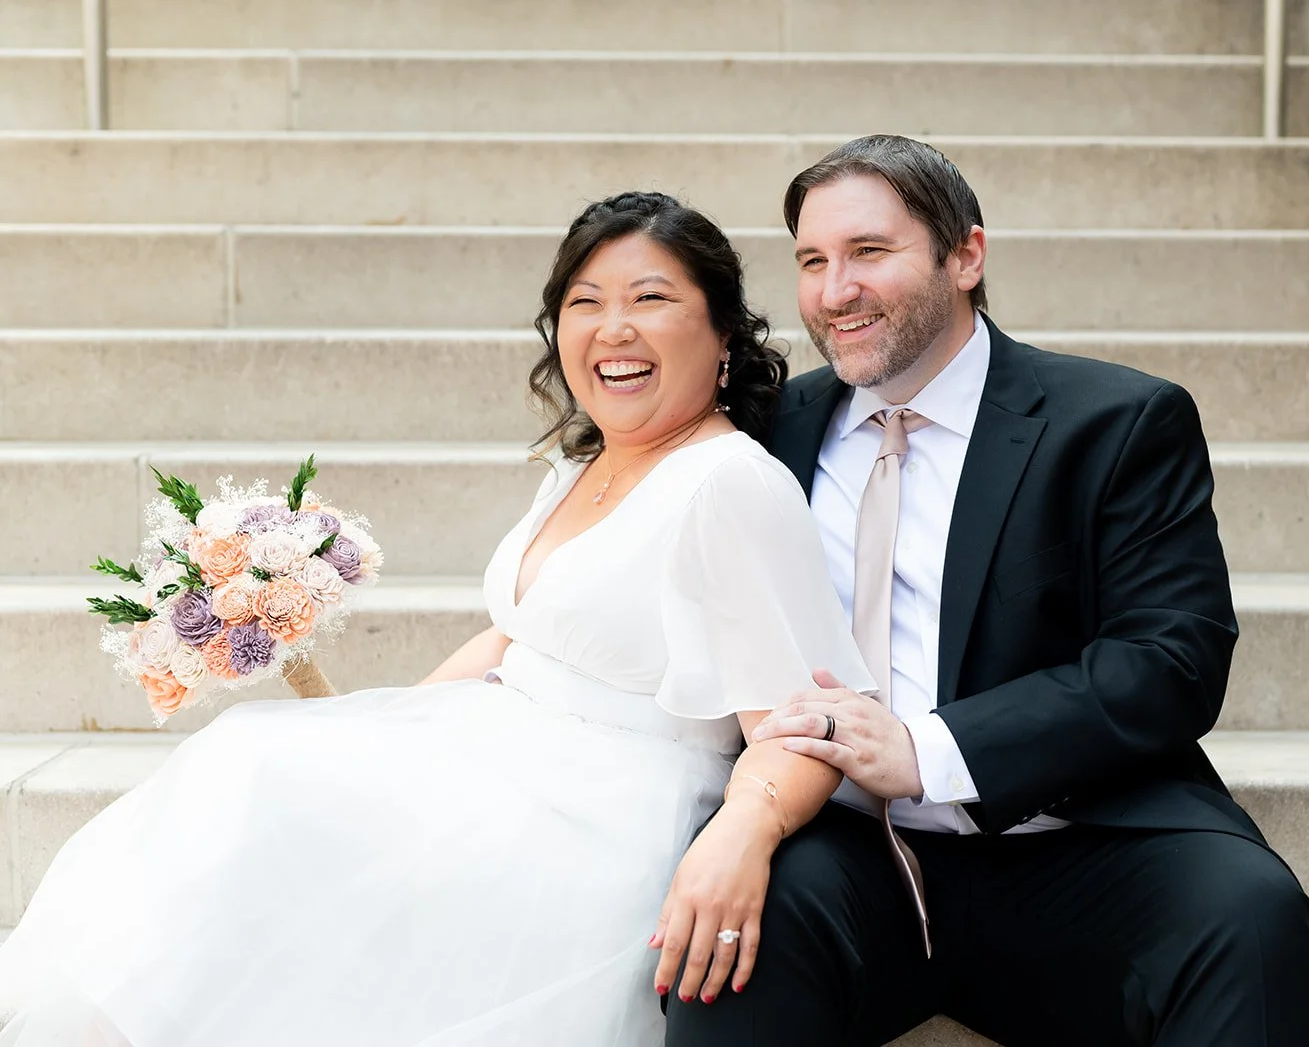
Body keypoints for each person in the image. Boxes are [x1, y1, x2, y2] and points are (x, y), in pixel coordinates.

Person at [0, 192, 876, 1046]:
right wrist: (382, 736)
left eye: (651, 299)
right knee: (260, 767)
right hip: (508, 757)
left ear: (723, 335)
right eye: (585, 303)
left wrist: (742, 837)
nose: (614, 329)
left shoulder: (729, 484)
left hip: (596, 816)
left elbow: (802, 723)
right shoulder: (584, 468)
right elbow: (516, 636)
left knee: (254, 790)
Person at [664, 135, 1309, 1046]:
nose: (833, 291)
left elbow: (1170, 661)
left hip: (1071, 840)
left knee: (1248, 917)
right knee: (731, 934)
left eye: (869, 252)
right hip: (848, 849)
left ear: (966, 255)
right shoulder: (769, 429)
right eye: (812, 262)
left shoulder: (1118, 421)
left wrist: (930, 752)